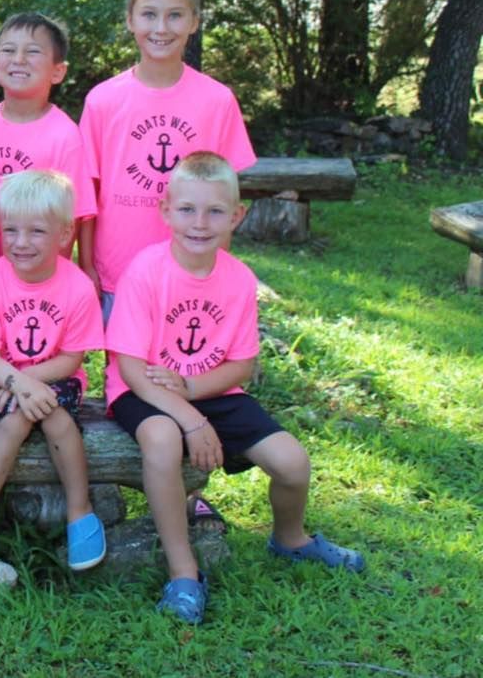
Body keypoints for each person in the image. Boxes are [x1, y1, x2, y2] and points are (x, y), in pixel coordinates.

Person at [105, 151, 364, 625]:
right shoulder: (146, 271)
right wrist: (188, 415)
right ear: (165, 211)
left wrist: (192, 388)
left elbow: (242, 365)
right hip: (142, 391)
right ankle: (184, 571)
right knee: (162, 441)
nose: (199, 223)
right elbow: (131, 368)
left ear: (237, 216)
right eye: (187, 209)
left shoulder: (239, 280)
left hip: (209, 388)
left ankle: (289, 538)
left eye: (215, 211)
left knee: (293, 463)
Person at [79, 0, 257, 530]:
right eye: (149, 14)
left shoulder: (216, 100)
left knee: (183, 379)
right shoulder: (104, 100)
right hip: (117, 274)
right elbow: (89, 192)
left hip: (188, 279)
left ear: (195, 22)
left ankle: (182, 492)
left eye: (175, 15)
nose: (161, 27)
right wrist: (85, 267)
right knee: (126, 393)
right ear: (130, 20)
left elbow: (226, 190)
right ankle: (102, 490)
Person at [0, 171, 107, 573]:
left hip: (54, 375)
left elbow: (72, 358)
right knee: (16, 419)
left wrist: (30, 379)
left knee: (54, 416)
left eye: (36, 231)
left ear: (64, 233)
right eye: (11, 230)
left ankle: (79, 511)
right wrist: (15, 382)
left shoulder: (77, 287)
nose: (20, 243)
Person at [0, 13, 96, 259]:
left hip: (29, 275)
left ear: (58, 71)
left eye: (32, 52)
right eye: (8, 50)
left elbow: (70, 219)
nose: (18, 59)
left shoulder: (64, 136)